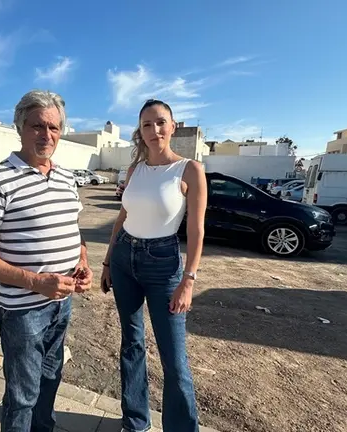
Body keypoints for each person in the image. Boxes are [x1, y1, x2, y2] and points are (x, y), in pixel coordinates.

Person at [0, 90, 93, 432]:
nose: (46, 135)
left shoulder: (67, 178)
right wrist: (36, 282)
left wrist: (82, 261)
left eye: (54, 127)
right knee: (22, 395)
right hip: (22, 310)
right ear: (19, 127)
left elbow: (73, 229)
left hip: (61, 303)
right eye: (37, 126)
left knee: (50, 381)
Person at [100, 99, 207, 432]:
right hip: (124, 259)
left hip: (164, 265)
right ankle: (136, 422)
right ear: (140, 130)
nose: (154, 130)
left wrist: (188, 280)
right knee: (131, 344)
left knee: (174, 359)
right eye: (147, 124)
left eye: (160, 122)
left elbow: (196, 230)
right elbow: (123, 217)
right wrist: (107, 261)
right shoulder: (135, 170)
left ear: (172, 127)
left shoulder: (190, 170)